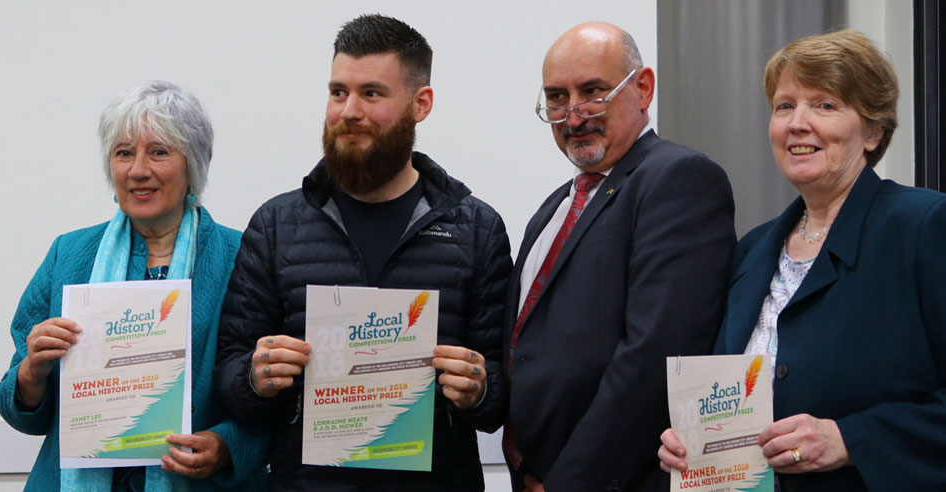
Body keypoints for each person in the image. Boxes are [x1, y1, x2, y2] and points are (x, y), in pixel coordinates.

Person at [213, 14, 512, 492]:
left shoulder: (477, 230)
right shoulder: (276, 226)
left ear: (420, 104)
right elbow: (229, 372)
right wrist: (254, 377)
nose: (348, 110)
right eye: (338, 92)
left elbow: (501, 395)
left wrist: (480, 389)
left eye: (371, 94)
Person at [657, 29, 946, 491]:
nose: (796, 123)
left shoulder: (924, 226)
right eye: (784, 106)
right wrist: (691, 438)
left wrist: (850, 438)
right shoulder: (752, 250)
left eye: (825, 105)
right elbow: (729, 395)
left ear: (872, 131)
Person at [0, 81, 268, 492]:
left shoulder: (242, 256)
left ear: (192, 164)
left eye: (158, 151)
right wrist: (32, 372)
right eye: (124, 153)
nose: (138, 170)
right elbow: (18, 405)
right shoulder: (69, 255)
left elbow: (275, 397)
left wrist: (226, 447)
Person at [503, 22, 735, 492]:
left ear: (643, 88)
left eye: (593, 93)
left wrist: (568, 483)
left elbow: (654, 361)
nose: (573, 116)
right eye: (556, 98)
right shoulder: (554, 207)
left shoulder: (678, 179)